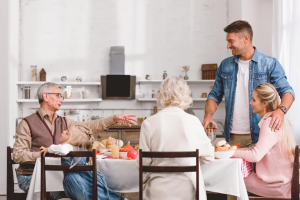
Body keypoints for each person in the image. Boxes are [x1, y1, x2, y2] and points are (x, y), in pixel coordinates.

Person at [13, 82, 136, 198]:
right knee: (75, 189)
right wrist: (43, 154)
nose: (61, 100)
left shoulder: (64, 121)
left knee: (89, 183)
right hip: (31, 176)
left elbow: (88, 127)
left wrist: (114, 119)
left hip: (57, 175)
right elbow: (18, 155)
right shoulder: (26, 123)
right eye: (58, 96)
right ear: (46, 96)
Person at [203, 20, 295, 147]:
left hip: (263, 133)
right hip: (233, 135)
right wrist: (208, 116)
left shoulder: (270, 64)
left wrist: (281, 111)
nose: (228, 46)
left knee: (262, 168)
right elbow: (214, 95)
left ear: (246, 39)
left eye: (231, 41)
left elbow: (287, 91)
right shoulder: (225, 65)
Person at [137, 77, 214, 200]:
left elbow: (143, 163)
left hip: (157, 191)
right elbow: (209, 156)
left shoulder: (149, 123)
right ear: (185, 95)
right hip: (189, 189)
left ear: (161, 94)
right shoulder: (193, 121)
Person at [232, 83, 296, 198]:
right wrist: (233, 150)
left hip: (278, 186)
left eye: (254, 100)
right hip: (285, 182)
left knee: (231, 177)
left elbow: (256, 155)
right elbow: (257, 149)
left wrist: (230, 153)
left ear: (265, 103)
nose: (250, 103)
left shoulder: (269, 123)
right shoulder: (279, 120)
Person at [40, 124, 124, 200]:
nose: (63, 131)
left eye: (67, 133)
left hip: (75, 183)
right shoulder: (83, 148)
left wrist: (49, 149)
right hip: (85, 180)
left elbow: (62, 149)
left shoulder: (69, 146)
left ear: (74, 140)